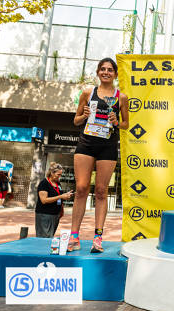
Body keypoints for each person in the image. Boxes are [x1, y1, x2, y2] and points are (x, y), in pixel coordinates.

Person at [68, 57, 129, 253]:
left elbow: (126, 124)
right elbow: (76, 121)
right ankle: (74, 237)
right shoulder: (87, 92)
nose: (106, 72)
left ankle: (97, 238)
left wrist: (116, 121)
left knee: (102, 191)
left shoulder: (121, 97)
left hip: (108, 146)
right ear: (98, 72)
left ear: (115, 74)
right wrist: (84, 115)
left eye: (110, 70)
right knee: (81, 188)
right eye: (102, 69)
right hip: (86, 143)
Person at [35, 162, 73, 238]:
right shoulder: (44, 183)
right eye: (58, 174)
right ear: (52, 173)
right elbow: (44, 200)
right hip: (45, 214)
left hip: (55, 214)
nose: (60, 176)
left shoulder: (57, 183)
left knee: (50, 236)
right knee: (44, 237)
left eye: (61, 174)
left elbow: (58, 195)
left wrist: (61, 208)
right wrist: (61, 196)